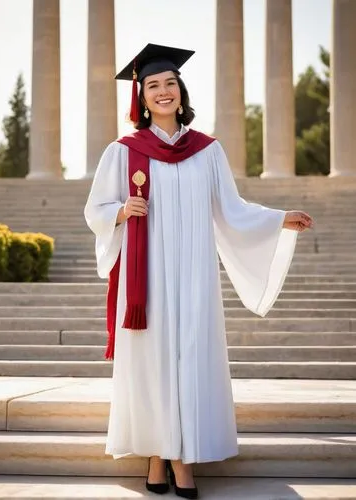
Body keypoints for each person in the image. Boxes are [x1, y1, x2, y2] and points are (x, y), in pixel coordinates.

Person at [84, 43, 313, 499]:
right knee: (152, 362)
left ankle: (183, 461)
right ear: (142, 97)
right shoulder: (124, 150)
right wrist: (121, 210)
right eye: (153, 85)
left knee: (189, 358)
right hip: (145, 278)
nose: (163, 91)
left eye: (170, 83)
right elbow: (95, 209)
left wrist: (276, 218)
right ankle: (155, 454)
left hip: (193, 276)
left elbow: (231, 208)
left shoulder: (206, 150)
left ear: (180, 90)